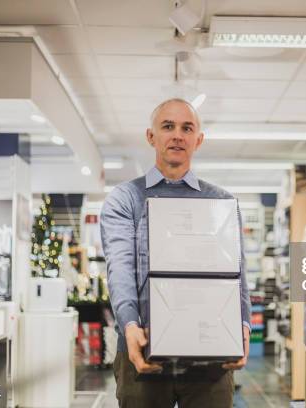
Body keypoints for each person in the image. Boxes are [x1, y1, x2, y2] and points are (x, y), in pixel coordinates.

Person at [100, 98, 251, 408]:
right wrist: (129, 326)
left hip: (211, 352)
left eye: (187, 128)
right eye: (168, 126)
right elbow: (121, 269)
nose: (178, 135)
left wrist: (244, 326)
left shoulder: (221, 202)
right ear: (151, 136)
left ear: (199, 139)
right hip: (141, 348)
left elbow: (237, 274)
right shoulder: (125, 199)